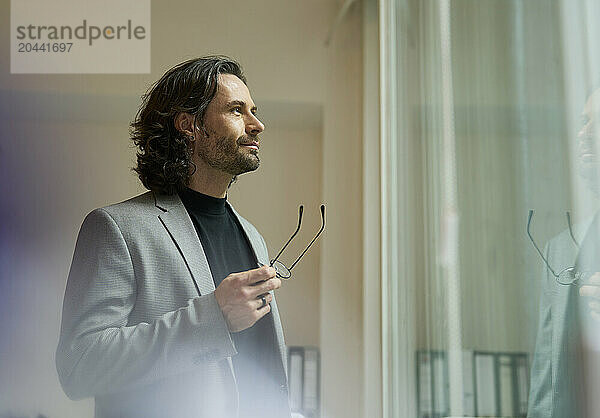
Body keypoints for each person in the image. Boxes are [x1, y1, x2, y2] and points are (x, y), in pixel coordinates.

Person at [55, 56, 291, 418]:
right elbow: (80, 366)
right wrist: (212, 317)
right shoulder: (116, 227)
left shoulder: (254, 237)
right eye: (236, 110)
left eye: (254, 110)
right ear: (189, 125)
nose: (257, 124)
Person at [528, 87, 600, 417]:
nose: (583, 135)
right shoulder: (559, 250)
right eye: (583, 122)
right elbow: (546, 385)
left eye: (596, 123)